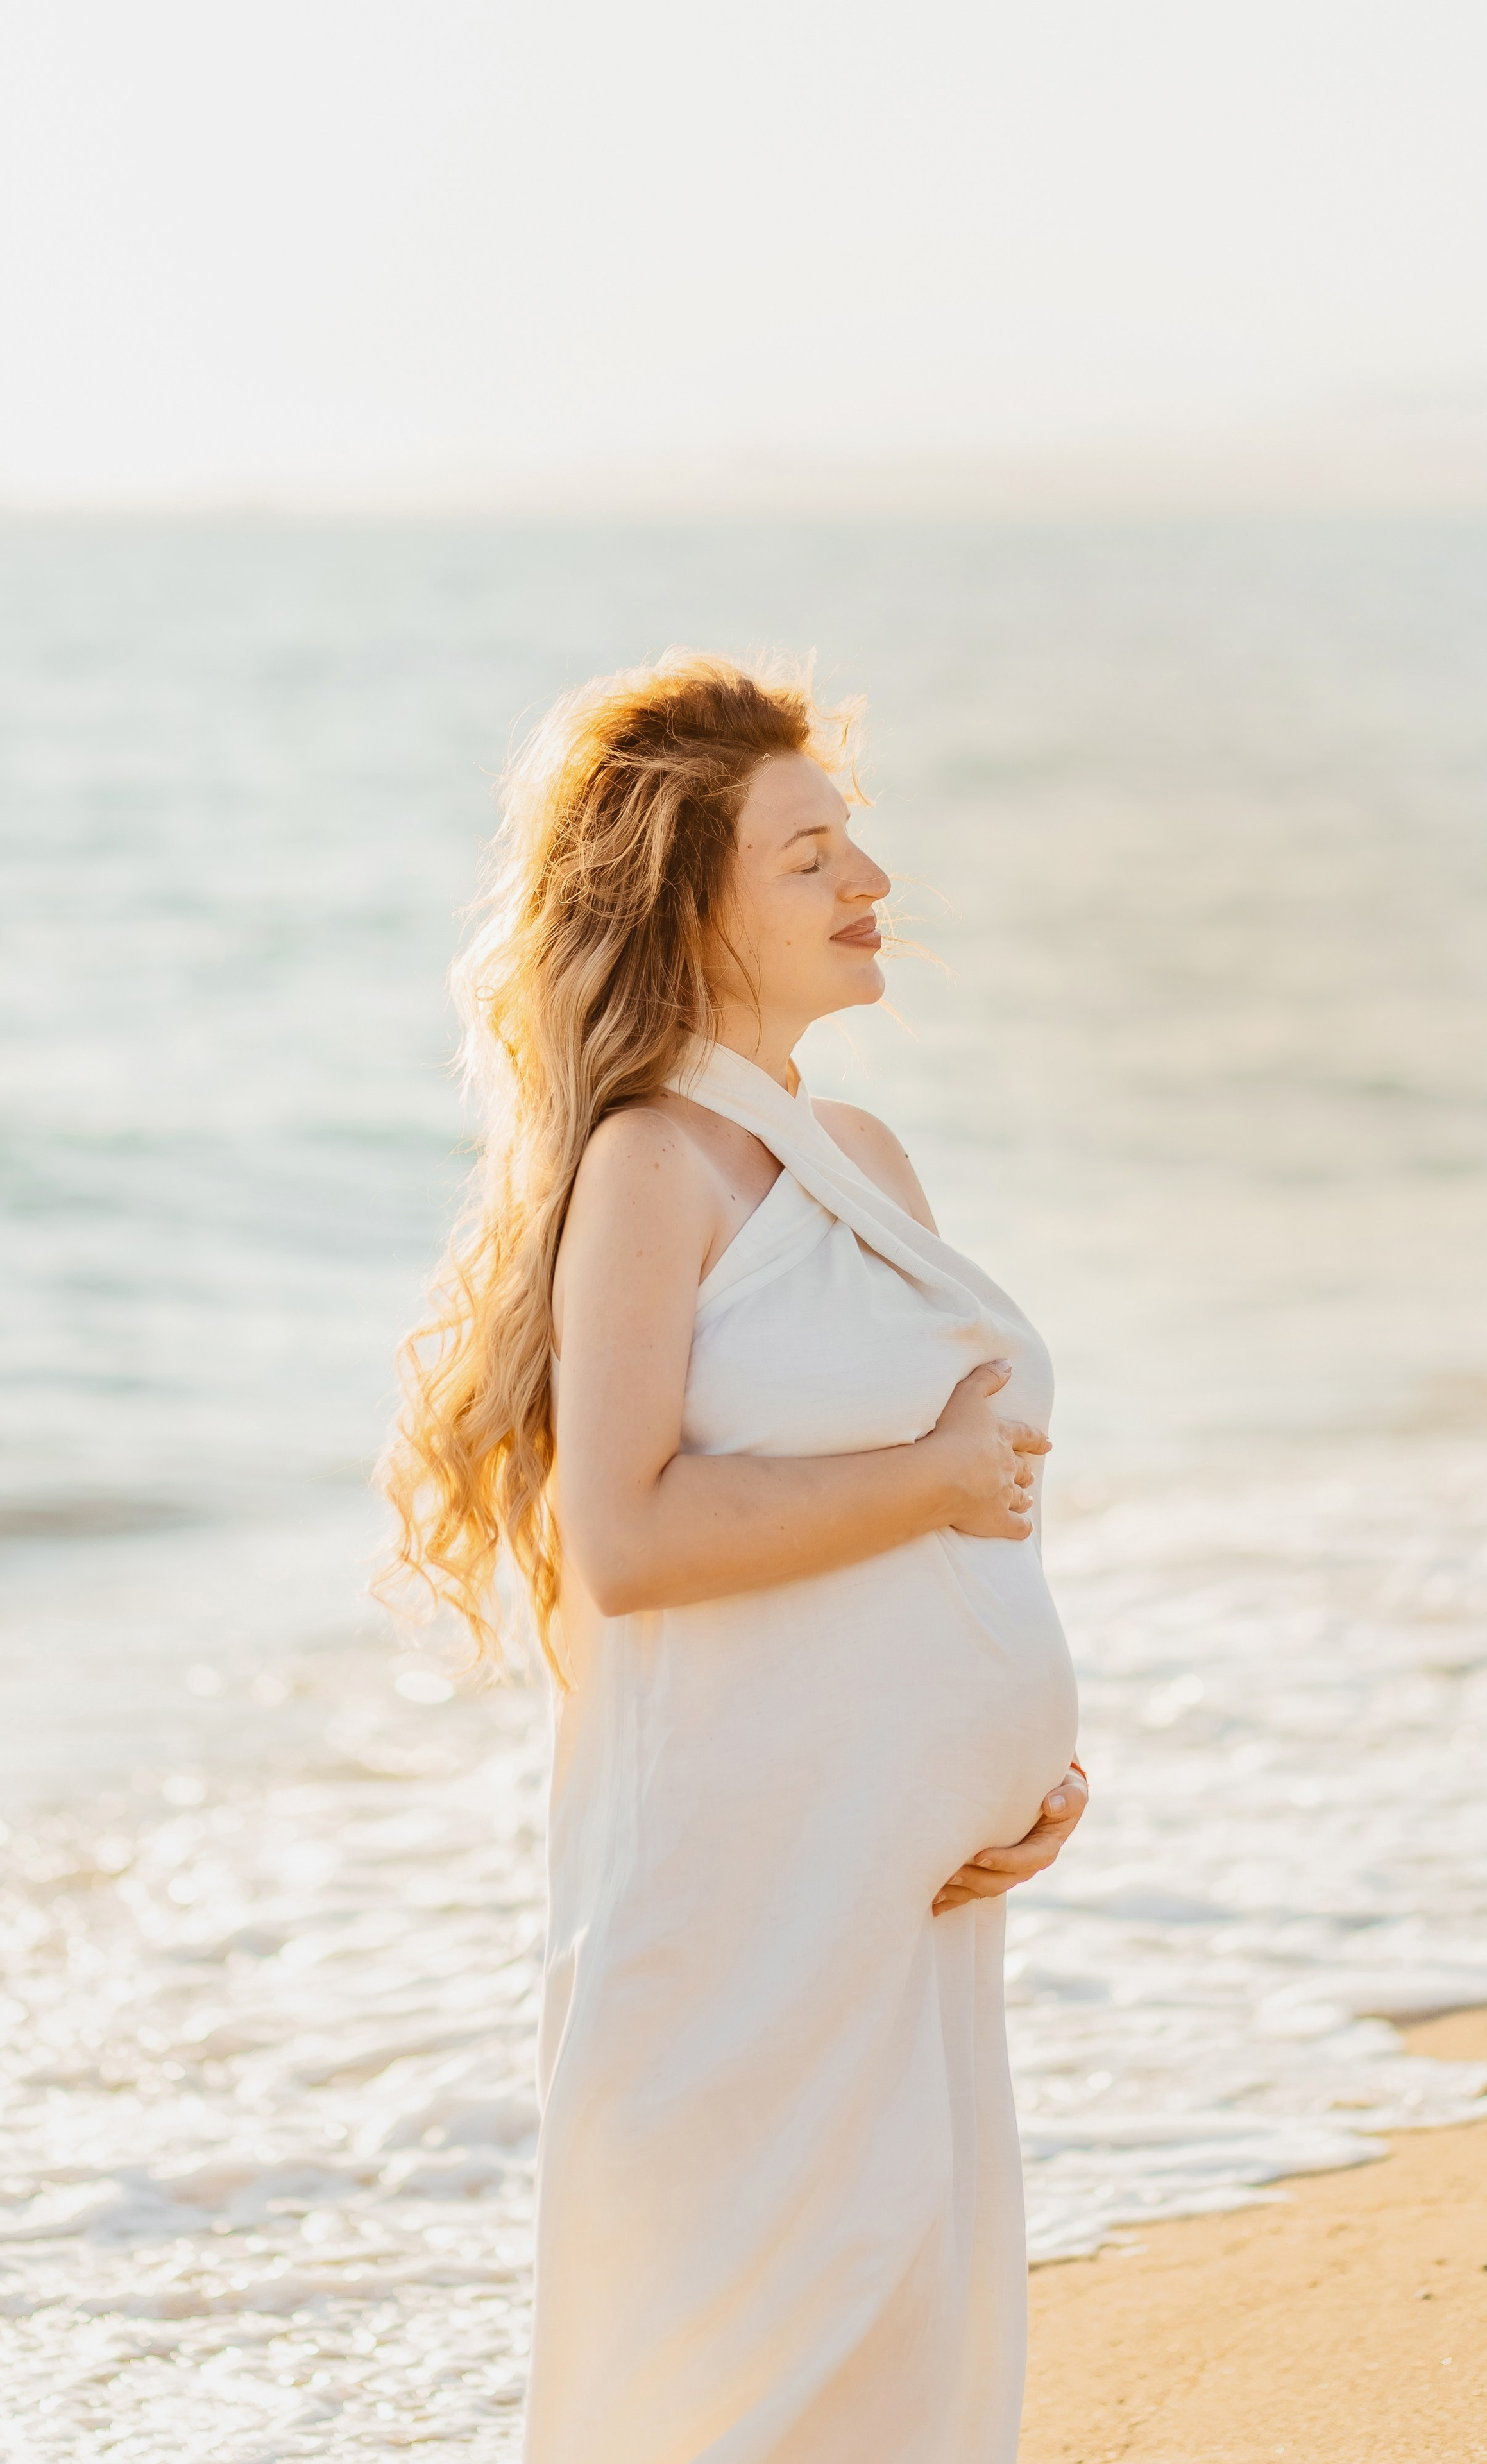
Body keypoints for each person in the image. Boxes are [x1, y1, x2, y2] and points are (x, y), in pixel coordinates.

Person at [380, 654, 1087, 2463]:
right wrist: (930, 1486)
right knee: (759, 2373)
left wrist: (1022, 1759)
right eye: (809, 857)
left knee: (905, 2346)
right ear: (688, 904)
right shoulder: (650, 1170)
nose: (872, 884)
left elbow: (981, 1491)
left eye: (855, 841)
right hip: (745, 1896)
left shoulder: (859, 1155)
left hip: (906, 1881)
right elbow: (627, 1537)